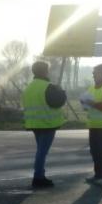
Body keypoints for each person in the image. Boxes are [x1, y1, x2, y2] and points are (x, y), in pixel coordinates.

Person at [21, 60, 66, 188]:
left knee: (41, 150)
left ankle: (40, 175)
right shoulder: (49, 86)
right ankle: (38, 177)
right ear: (46, 71)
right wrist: (61, 92)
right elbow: (58, 102)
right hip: (48, 123)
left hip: (34, 123)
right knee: (42, 151)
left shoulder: (29, 87)